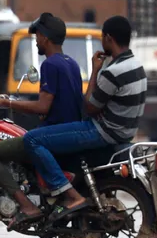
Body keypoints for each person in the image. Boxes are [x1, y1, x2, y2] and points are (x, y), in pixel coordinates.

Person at [22, 15, 147, 223]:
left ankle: (71, 196)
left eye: (102, 38)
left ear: (108, 38)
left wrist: (96, 70)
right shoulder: (137, 67)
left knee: (32, 139)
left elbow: (88, 108)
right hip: (125, 133)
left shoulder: (112, 72)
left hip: (102, 132)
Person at [0, 13, 84, 226]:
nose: (36, 40)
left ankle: (26, 206)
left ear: (45, 37)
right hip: (66, 133)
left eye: (37, 36)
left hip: (51, 137)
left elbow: (43, 105)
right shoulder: (71, 63)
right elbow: (56, 105)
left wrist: (4, 102)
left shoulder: (50, 64)